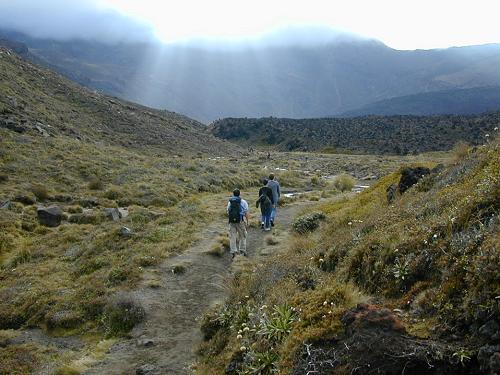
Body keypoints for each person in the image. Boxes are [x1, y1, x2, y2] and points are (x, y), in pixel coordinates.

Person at [227, 189, 249, 259]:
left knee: (232, 237)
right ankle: (242, 251)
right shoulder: (243, 202)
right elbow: (246, 212)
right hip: (240, 221)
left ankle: (233, 252)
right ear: (239, 194)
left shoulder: (230, 202)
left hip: (231, 222)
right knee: (242, 236)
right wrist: (247, 221)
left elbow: (228, 211)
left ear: (233, 194)